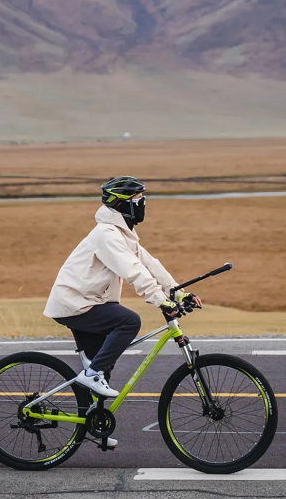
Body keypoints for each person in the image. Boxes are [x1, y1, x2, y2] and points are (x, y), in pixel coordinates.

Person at [43, 176, 202, 410]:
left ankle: (93, 420)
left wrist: (178, 293)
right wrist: (160, 300)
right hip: (75, 304)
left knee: (103, 367)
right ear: (123, 204)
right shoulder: (106, 235)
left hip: (88, 302)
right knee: (129, 322)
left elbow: (150, 264)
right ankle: (92, 375)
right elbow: (133, 270)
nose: (143, 203)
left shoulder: (121, 234)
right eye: (138, 199)